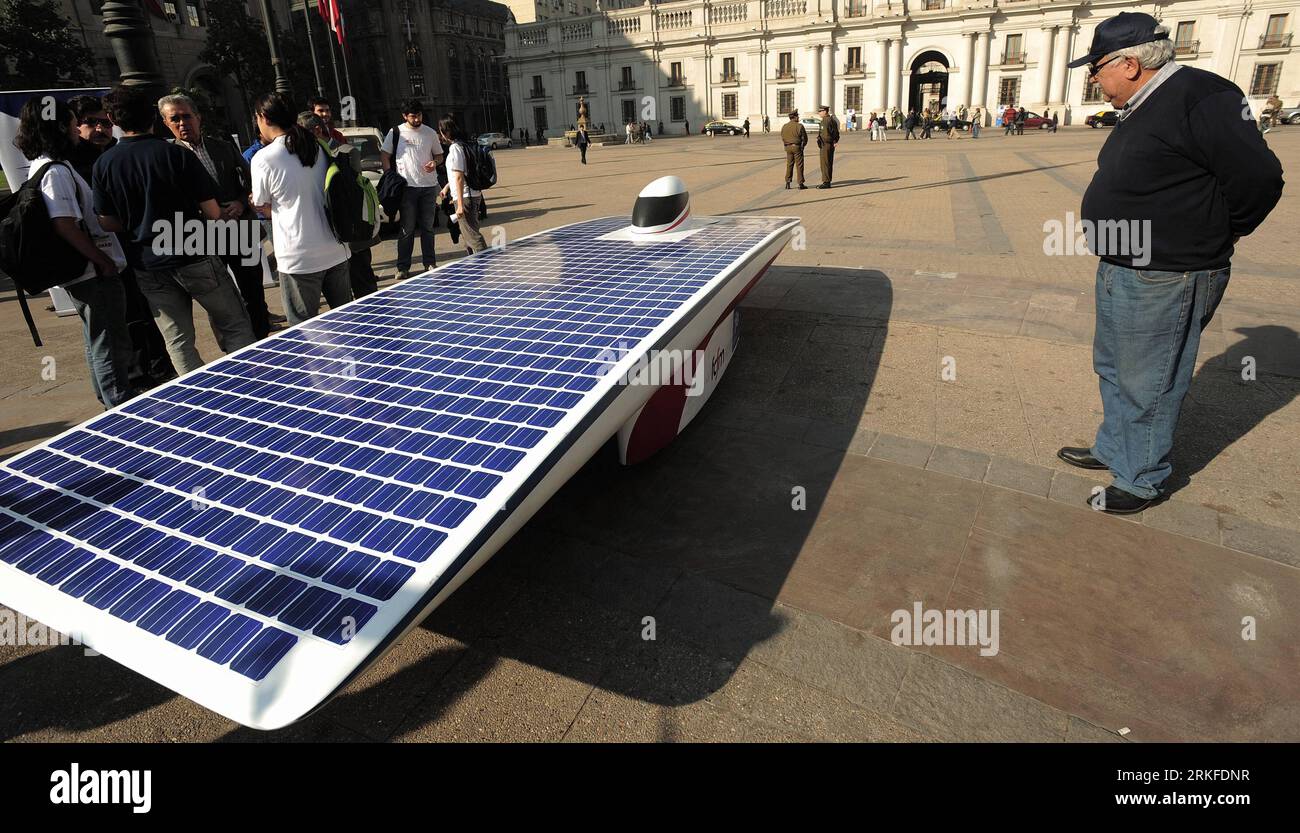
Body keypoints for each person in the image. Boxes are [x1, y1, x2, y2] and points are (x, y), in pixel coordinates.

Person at [1056, 12, 1284, 514]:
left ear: (1130, 63)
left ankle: (1142, 478)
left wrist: (1219, 233)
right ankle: (1115, 448)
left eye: (1096, 67)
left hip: (1168, 271)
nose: (1093, 78)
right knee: (1114, 367)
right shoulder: (1142, 103)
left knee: (1149, 381)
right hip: (1122, 263)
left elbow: (1259, 177)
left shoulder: (1203, 96)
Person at [93, 84, 254, 377]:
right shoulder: (176, 156)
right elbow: (213, 212)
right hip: (195, 255)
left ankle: (199, 398)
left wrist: (138, 223)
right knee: (234, 324)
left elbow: (106, 221)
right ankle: (251, 382)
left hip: (148, 263)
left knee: (178, 340)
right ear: (155, 118)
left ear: (113, 120)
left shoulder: (105, 164)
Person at [17, 98, 135, 408]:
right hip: (92, 273)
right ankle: (118, 405)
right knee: (108, 340)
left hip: (87, 271)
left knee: (96, 337)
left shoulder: (49, 165)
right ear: (57, 128)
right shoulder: (54, 171)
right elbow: (65, 225)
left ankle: (110, 399)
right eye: (71, 125)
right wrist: (103, 260)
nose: (74, 131)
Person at [67, 94, 177, 390]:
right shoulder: (70, 165)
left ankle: (159, 367)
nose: (100, 129)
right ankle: (132, 381)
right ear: (77, 125)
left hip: (138, 249)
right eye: (91, 123)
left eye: (104, 122)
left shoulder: (119, 152)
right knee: (119, 324)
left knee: (149, 312)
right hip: (102, 258)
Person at [160, 93, 274, 341]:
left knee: (253, 291)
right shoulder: (169, 156)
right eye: (175, 119)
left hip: (240, 230)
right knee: (218, 299)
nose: (182, 123)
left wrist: (241, 202)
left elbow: (252, 183)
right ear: (166, 124)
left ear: (198, 118)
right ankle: (231, 347)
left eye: (187, 116)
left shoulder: (223, 147)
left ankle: (262, 338)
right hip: (203, 236)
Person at [249, 92, 352, 325]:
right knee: (349, 325)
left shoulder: (264, 158)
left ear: (263, 117)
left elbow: (262, 205)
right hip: (336, 248)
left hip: (298, 259)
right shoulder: (317, 145)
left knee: (302, 335)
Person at [300, 112, 378, 299]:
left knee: (364, 288)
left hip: (352, 234)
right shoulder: (306, 158)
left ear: (317, 130)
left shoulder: (345, 152)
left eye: (301, 133)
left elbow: (351, 194)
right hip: (328, 238)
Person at [381, 98, 443, 281]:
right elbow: (385, 155)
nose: (417, 119)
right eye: (413, 116)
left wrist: (435, 162)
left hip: (428, 186)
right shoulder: (396, 132)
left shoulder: (430, 133)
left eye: (419, 115)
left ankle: (429, 263)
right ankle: (403, 267)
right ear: (404, 116)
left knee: (428, 227)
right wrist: (389, 176)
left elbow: (439, 155)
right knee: (407, 229)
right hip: (407, 188)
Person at [437, 116, 487, 255]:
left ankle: (486, 264)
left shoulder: (455, 148)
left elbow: (459, 177)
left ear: (445, 132)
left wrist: (459, 204)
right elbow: (462, 174)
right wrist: (447, 188)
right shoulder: (465, 145)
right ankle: (476, 267)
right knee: (468, 236)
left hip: (465, 197)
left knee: (472, 236)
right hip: (472, 194)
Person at [781, 109, 807, 190]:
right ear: (794, 117)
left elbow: (783, 137)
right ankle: (800, 183)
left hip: (788, 147)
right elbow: (805, 138)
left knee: (789, 164)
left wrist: (786, 144)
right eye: (797, 116)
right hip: (797, 147)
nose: (798, 117)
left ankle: (787, 182)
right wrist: (802, 146)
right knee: (799, 165)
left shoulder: (784, 126)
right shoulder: (799, 126)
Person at [816, 105, 839, 189]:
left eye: (820, 111)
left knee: (825, 163)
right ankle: (828, 180)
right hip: (830, 144)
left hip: (825, 145)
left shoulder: (825, 121)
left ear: (825, 111)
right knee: (829, 163)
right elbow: (836, 133)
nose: (819, 113)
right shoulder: (832, 120)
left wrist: (821, 140)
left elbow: (825, 135)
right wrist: (835, 141)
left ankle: (826, 182)